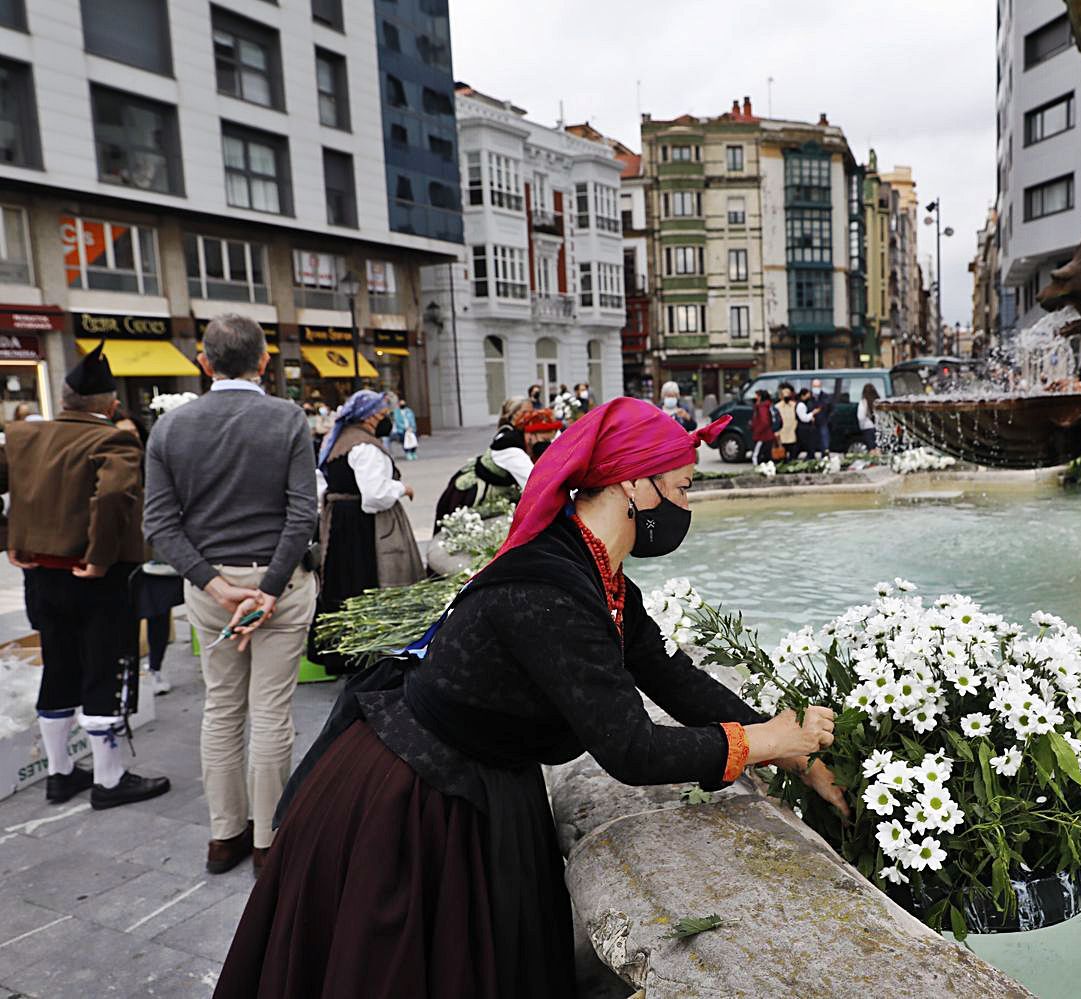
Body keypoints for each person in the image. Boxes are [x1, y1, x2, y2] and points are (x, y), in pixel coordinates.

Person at [214, 397, 843, 998]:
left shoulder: (598, 573)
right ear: (633, 486)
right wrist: (763, 741)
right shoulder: (552, 590)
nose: (686, 504)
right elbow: (632, 749)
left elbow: (671, 675)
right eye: (681, 488)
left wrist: (792, 753)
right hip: (417, 795)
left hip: (479, 776)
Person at [144, 315, 319, 874]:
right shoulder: (287, 418)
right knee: (271, 712)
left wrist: (216, 586)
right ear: (264, 362)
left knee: (221, 708)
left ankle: (225, 836)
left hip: (209, 585)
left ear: (204, 362)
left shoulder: (170, 428)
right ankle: (268, 841)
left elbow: (160, 524)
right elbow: (302, 514)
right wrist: (266, 590)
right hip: (280, 582)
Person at [0, 343, 170, 809]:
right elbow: (114, 498)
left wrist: (12, 539)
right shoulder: (113, 438)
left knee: (58, 666)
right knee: (104, 669)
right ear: (111, 405)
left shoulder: (22, 435)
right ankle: (109, 780)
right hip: (97, 576)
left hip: (42, 576)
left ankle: (59, 775)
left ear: (64, 398)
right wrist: (98, 556)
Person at [310, 389, 424, 675]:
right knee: (368, 582)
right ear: (371, 416)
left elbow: (322, 484)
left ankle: (345, 656)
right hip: (363, 528)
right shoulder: (365, 446)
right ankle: (371, 658)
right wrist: (401, 488)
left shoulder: (336, 441)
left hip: (339, 523)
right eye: (383, 413)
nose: (386, 418)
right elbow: (374, 497)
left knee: (343, 584)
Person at [114, 408, 180, 697]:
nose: (127, 440)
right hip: (121, 554)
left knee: (157, 612)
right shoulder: (107, 465)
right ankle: (129, 674)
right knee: (125, 616)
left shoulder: (154, 465)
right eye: (120, 433)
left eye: (131, 434)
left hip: (155, 554)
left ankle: (155, 667)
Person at [434, 396, 532, 528]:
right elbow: (531, 481)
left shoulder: (511, 434)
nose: (532, 417)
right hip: (471, 493)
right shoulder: (509, 443)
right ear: (514, 415)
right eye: (526, 413)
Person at [748, 388, 777, 465]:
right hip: (768, 434)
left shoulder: (762, 407)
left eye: (757, 396)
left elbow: (764, 422)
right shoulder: (768, 405)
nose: (755, 398)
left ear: (761, 397)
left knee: (756, 456)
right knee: (768, 456)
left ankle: (758, 470)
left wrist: (757, 431)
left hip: (762, 435)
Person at [774, 383, 799, 461]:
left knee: (793, 455)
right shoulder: (777, 407)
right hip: (782, 435)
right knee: (782, 457)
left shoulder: (795, 405)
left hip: (792, 434)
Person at [795, 387, 821, 459]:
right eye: (807, 395)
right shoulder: (801, 405)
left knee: (809, 446)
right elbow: (804, 418)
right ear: (803, 395)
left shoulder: (804, 404)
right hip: (804, 429)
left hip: (806, 428)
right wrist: (813, 413)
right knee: (806, 446)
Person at [810, 378, 832, 454]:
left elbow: (831, 409)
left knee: (824, 440)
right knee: (811, 441)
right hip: (811, 423)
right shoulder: (809, 397)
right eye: (814, 386)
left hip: (823, 422)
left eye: (818, 386)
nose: (816, 388)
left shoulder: (825, 397)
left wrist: (827, 419)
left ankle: (825, 455)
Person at [858, 383, 880, 453]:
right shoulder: (877, 401)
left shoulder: (863, 402)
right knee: (878, 447)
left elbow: (860, 416)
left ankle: (874, 462)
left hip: (867, 426)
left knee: (871, 448)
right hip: (878, 427)